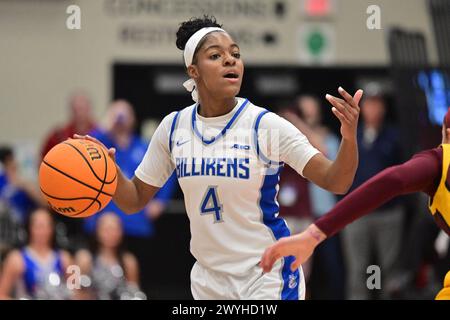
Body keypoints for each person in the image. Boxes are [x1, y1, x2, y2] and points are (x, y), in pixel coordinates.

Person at [75, 15, 363, 300]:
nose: (230, 60)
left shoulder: (264, 125)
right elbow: (134, 198)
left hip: (266, 275)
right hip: (208, 280)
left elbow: (336, 180)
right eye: (216, 55)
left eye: (235, 54)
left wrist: (349, 138)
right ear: (193, 71)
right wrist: (104, 168)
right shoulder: (174, 128)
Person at [261, 107, 450, 300]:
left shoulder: (435, 158)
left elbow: (393, 180)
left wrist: (315, 232)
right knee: (360, 271)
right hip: (352, 216)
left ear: (447, 132)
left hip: (383, 214)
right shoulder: (359, 137)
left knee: (383, 269)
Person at [82, 100, 177, 295]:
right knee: (90, 283)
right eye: (116, 115)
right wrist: (104, 126)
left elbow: (168, 169)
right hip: (102, 222)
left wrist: (161, 201)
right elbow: (82, 149)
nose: (120, 120)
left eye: (124, 115)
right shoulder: (101, 142)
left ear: (133, 119)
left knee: (135, 282)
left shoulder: (143, 145)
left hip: (137, 224)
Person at [0, 208, 73, 299]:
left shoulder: (65, 258)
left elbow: (77, 292)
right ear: (29, 228)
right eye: (38, 226)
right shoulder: (16, 258)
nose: (42, 231)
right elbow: (1, 294)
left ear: (52, 228)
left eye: (47, 225)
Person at [75, 213, 142, 300]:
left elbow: (134, 293)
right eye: (106, 229)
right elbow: (74, 291)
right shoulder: (84, 258)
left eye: (115, 229)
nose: (111, 233)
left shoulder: (129, 261)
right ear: (97, 231)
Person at [41, 92, 96, 159]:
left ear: (89, 109)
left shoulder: (100, 133)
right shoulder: (59, 135)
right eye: (76, 109)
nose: (79, 113)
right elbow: (44, 158)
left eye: (82, 108)